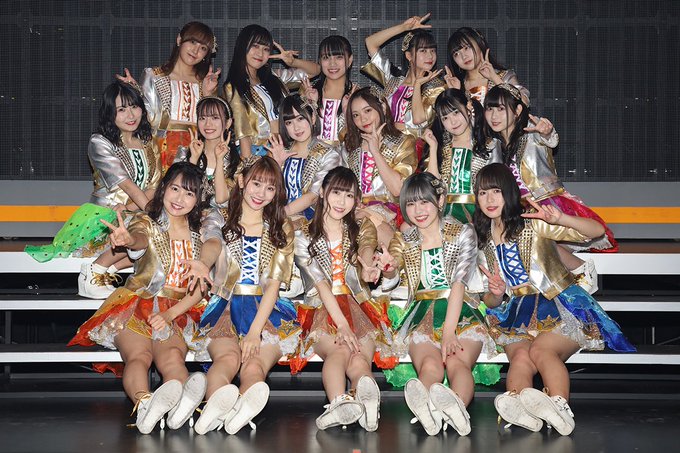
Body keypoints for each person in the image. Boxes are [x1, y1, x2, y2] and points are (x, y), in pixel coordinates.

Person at [473, 163, 635, 436]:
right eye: (482, 193)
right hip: (516, 313)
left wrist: (560, 219)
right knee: (521, 358)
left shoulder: (534, 224)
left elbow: (596, 231)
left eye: (496, 191)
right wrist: (497, 294)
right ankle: (521, 409)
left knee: (541, 351)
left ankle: (559, 408)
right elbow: (489, 301)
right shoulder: (483, 241)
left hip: (560, 303)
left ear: (509, 192)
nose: (489, 199)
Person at [68, 162, 221, 433]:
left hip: (177, 310)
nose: (179, 198)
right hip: (136, 304)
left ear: (198, 200)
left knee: (172, 358)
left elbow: (200, 285)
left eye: (189, 193)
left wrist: (170, 315)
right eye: (175, 188)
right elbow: (138, 240)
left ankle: (181, 406)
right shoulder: (146, 222)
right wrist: (128, 241)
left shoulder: (200, 235)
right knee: (138, 356)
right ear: (163, 189)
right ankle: (145, 405)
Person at [377, 172, 494, 436]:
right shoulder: (404, 239)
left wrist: (450, 331)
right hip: (421, 316)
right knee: (429, 366)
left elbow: (459, 283)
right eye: (410, 204)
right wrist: (388, 269)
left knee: (457, 364)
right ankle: (429, 411)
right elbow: (392, 275)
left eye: (424, 202)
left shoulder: (463, 232)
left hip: (461, 312)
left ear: (440, 201)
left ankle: (456, 410)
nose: (418, 211)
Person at [191, 157, 299, 435]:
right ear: (241, 181)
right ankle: (213, 410)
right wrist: (203, 263)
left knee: (254, 366)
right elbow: (212, 242)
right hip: (224, 308)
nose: (261, 193)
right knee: (226, 361)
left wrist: (254, 332)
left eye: (270, 188)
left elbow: (273, 285)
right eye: (256, 183)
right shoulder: (220, 216)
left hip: (267, 311)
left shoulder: (281, 227)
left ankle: (239, 411)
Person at [25, 81, 161, 299]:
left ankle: (105, 272)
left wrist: (133, 208)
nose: (130, 115)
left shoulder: (147, 141)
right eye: (121, 109)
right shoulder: (100, 142)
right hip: (106, 216)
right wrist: (153, 214)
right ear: (110, 113)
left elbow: (154, 185)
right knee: (153, 228)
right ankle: (94, 270)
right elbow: (126, 184)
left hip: (134, 211)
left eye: (134, 106)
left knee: (160, 235)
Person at [484, 83, 618, 292]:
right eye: (489, 109)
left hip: (546, 202)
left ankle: (581, 270)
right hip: (518, 209)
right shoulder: (495, 147)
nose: (494, 115)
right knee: (533, 244)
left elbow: (549, 138)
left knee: (540, 237)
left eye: (501, 109)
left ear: (518, 110)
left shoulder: (531, 135)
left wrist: (547, 131)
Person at [294, 167, 389, 431]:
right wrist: (343, 325)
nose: (341, 201)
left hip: (359, 305)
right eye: (336, 192)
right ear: (323, 191)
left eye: (349, 195)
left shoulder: (360, 227)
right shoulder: (303, 233)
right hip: (321, 306)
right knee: (340, 350)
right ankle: (339, 402)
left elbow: (367, 248)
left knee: (359, 359)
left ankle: (366, 404)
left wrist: (369, 268)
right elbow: (321, 284)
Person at [119, 22, 220, 173]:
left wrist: (208, 94)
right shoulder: (154, 75)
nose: (196, 50)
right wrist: (134, 93)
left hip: (195, 149)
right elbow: (145, 115)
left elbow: (213, 121)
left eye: (203, 48)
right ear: (179, 40)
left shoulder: (205, 82)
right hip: (159, 147)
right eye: (192, 42)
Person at [223, 24, 320, 159]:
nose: (260, 53)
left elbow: (315, 70)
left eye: (266, 49)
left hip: (289, 146)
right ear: (242, 46)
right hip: (261, 153)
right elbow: (243, 131)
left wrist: (292, 62)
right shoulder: (233, 87)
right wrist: (247, 164)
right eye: (255, 46)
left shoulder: (274, 77)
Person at [343, 87, 417, 245]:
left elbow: (398, 189)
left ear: (382, 107)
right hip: (355, 211)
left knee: (369, 223)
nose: (363, 119)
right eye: (356, 115)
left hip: (391, 214)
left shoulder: (403, 142)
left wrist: (375, 152)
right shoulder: (351, 148)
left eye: (367, 110)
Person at [421, 88, 501, 223]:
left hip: (481, 215)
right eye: (445, 118)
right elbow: (432, 187)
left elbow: (498, 185)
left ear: (468, 107)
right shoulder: (441, 146)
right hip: (444, 216)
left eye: (456, 112)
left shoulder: (490, 144)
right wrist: (433, 148)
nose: (453, 122)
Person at [362, 13, 446, 139]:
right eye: (423, 50)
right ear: (409, 55)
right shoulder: (394, 80)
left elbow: (419, 121)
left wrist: (417, 85)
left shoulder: (437, 87)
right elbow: (370, 42)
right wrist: (403, 28)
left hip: (415, 148)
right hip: (384, 145)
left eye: (432, 51)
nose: (430, 56)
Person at [266, 94, 342, 222]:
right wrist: (277, 165)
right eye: (289, 122)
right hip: (275, 213)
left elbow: (313, 196)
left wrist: (280, 215)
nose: (296, 127)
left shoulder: (328, 154)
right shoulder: (278, 150)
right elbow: (265, 188)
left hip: (312, 220)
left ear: (313, 118)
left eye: (300, 119)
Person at [174, 96, 240, 204]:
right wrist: (193, 160)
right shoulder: (184, 154)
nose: (208, 124)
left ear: (228, 123)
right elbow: (179, 194)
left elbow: (220, 199)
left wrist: (220, 159)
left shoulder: (236, 162)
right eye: (202, 118)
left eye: (215, 118)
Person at [445, 27, 529, 106]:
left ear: (480, 43)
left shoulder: (504, 76)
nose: (464, 56)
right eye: (456, 54)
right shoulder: (455, 85)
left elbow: (524, 104)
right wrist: (455, 93)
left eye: (467, 48)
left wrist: (495, 79)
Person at [301, 35, 357, 146]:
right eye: (326, 57)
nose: (332, 63)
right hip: (312, 155)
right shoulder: (308, 92)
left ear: (350, 60)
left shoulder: (358, 96)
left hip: (346, 154)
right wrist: (310, 105)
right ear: (319, 61)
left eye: (339, 57)